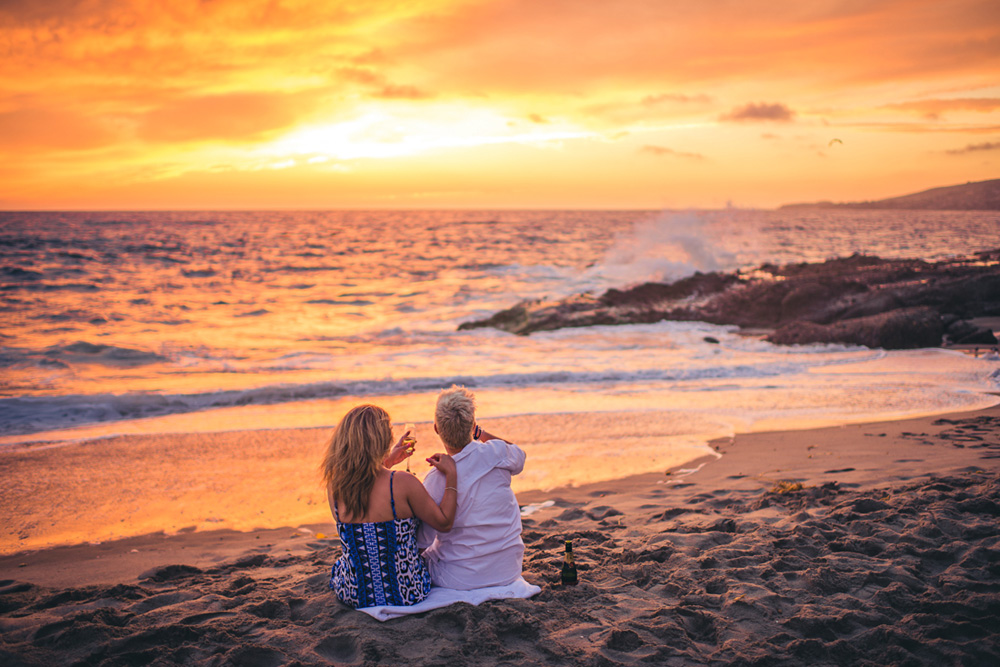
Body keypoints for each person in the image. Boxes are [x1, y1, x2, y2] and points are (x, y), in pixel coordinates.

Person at [321, 404, 457, 608]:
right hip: (407, 592)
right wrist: (452, 475)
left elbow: (368, 491)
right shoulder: (402, 483)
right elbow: (444, 523)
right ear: (383, 439)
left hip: (354, 594)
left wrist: (387, 461)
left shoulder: (335, 486)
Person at [418, 386, 527, 590]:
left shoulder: (436, 477)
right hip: (508, 569)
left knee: (427, 552)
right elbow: (518, 455)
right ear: (473, 425)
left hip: (461, 578)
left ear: (436, 428)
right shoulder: (497, 453)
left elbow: (423, 539)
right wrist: (481, 433)